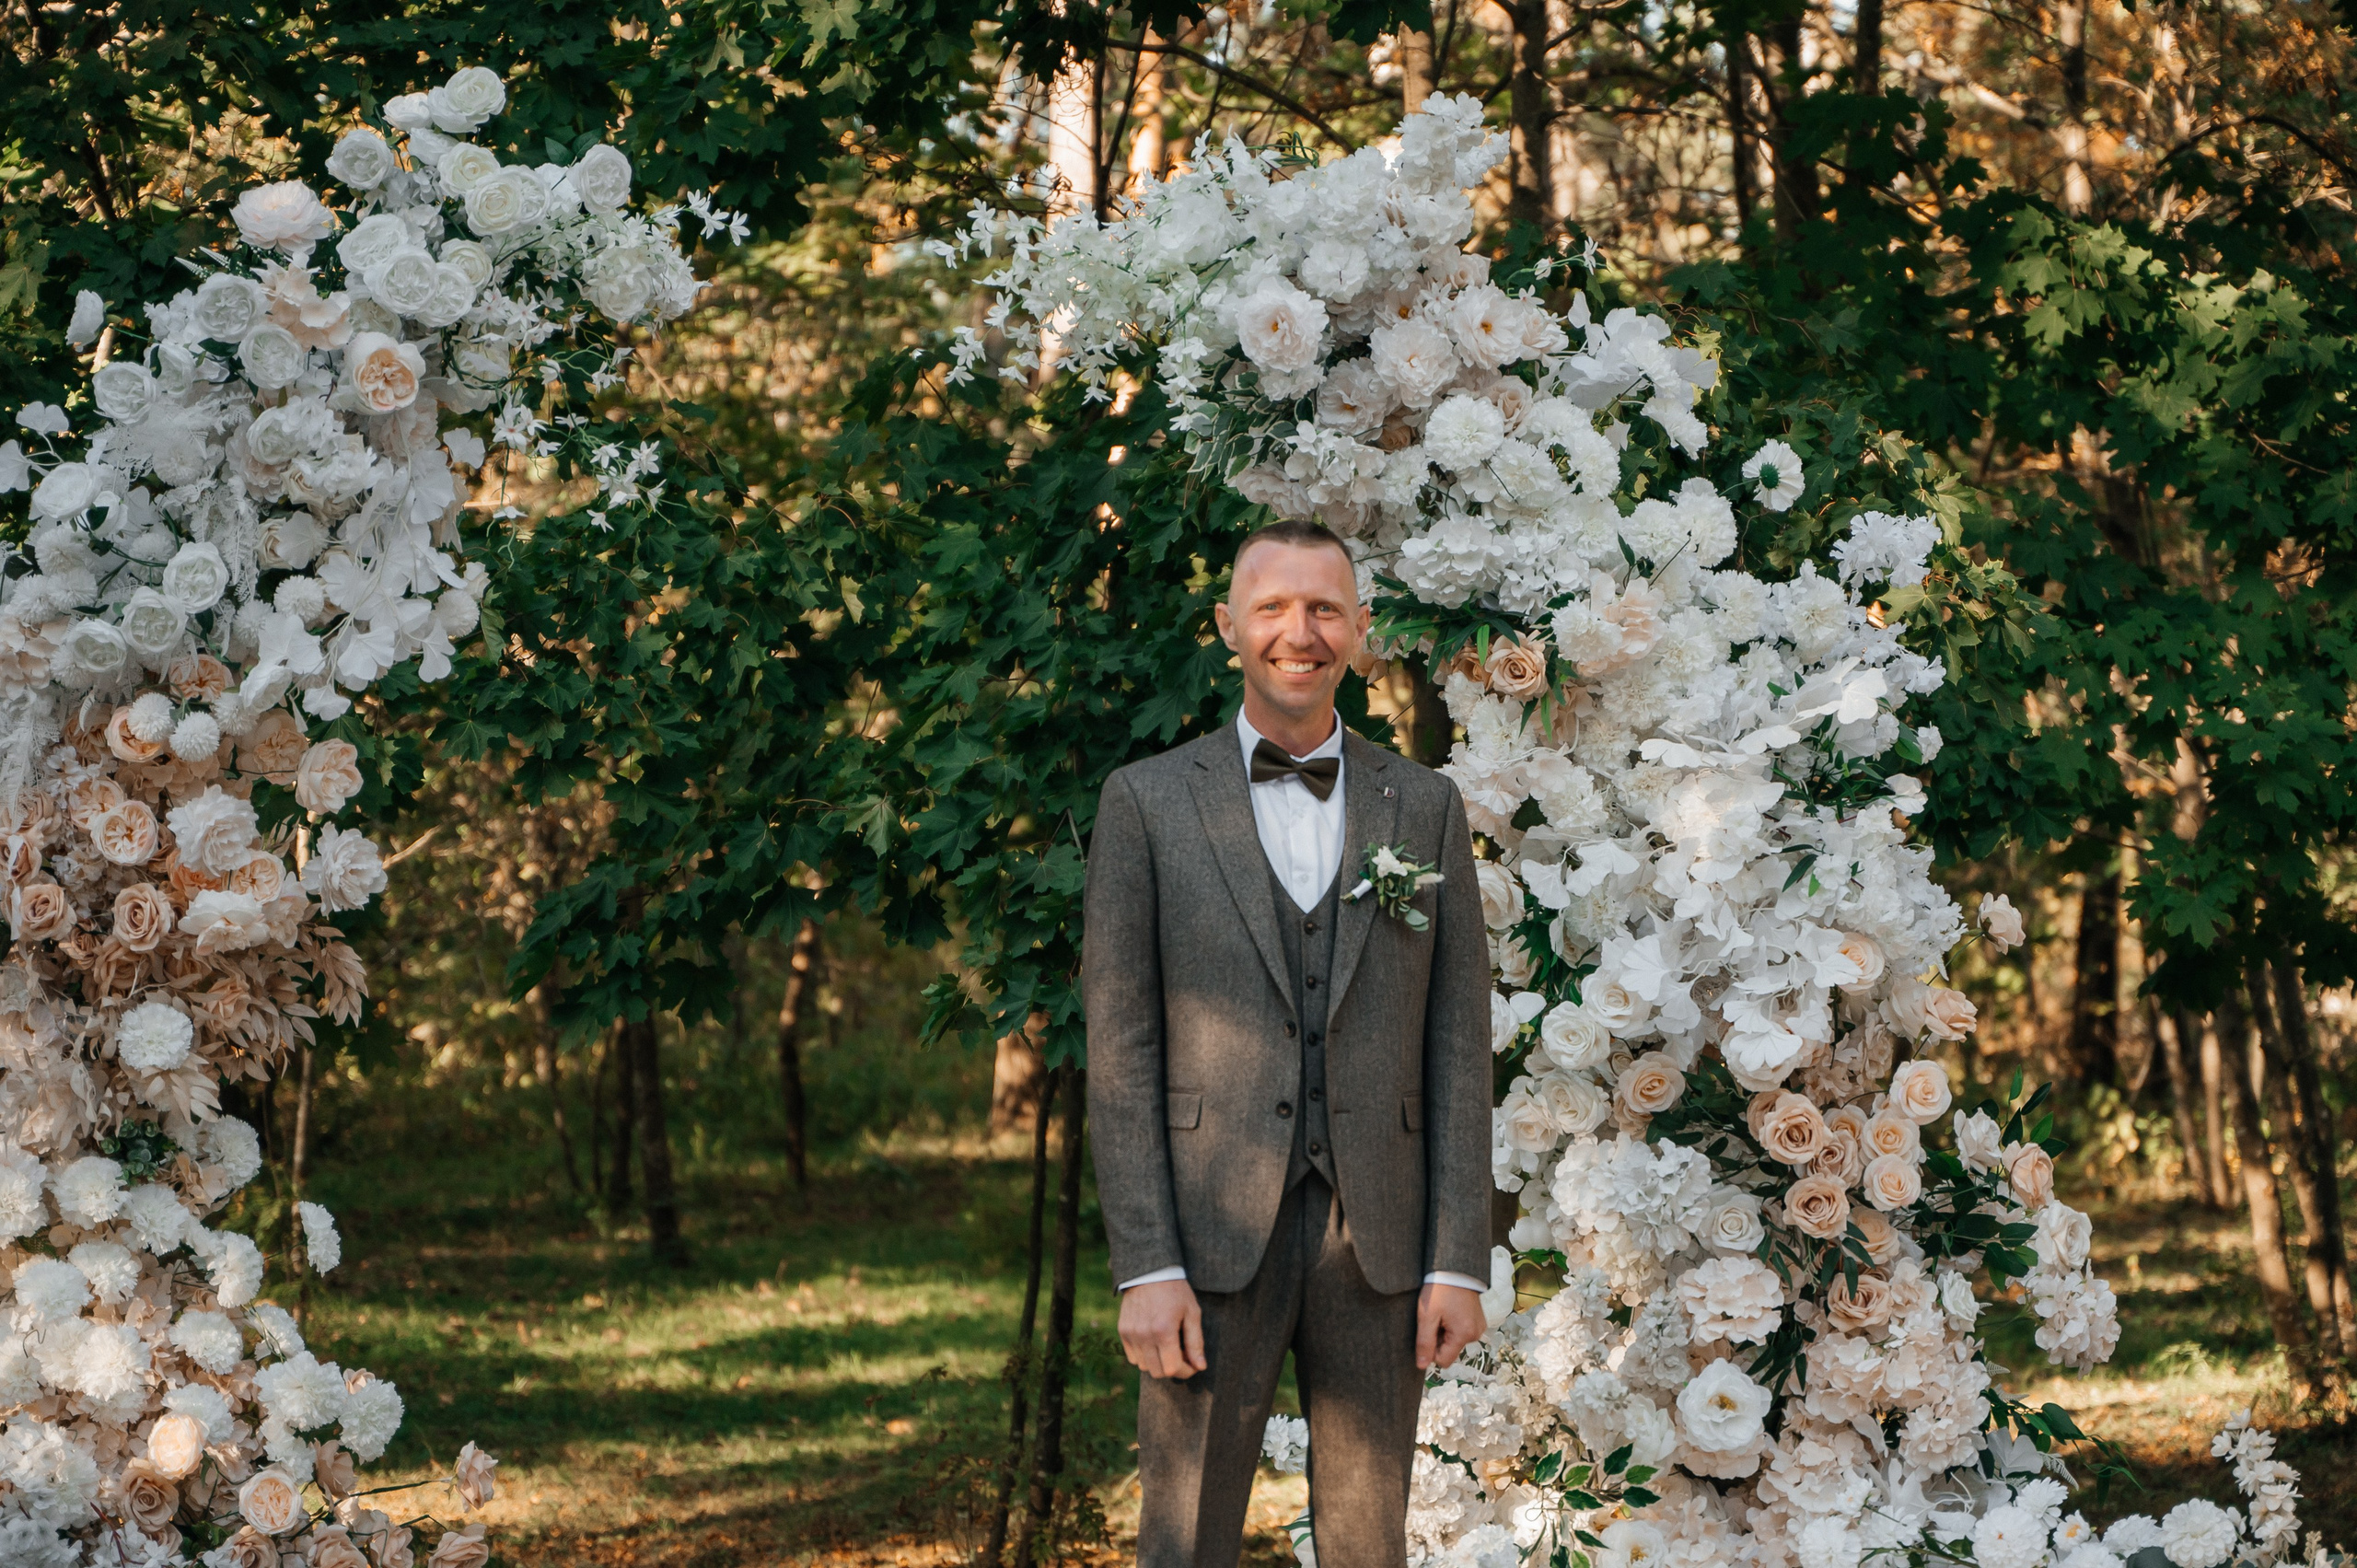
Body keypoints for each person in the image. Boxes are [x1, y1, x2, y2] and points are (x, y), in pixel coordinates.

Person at [1083, 518, 1492, 1568]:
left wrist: (1459, 1256)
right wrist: (1146, 1264)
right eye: (1271, 606)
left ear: (1359, 628)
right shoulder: (1146, 802)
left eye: (1323, 609)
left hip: (1378, 1239)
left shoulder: (1426, 805)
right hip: (1206, 1237)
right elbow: (1121, 1052)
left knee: (1370, 1546)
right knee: (1185, 1542)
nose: (1297, 632)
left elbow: (1458, 1043)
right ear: (1229, 625)